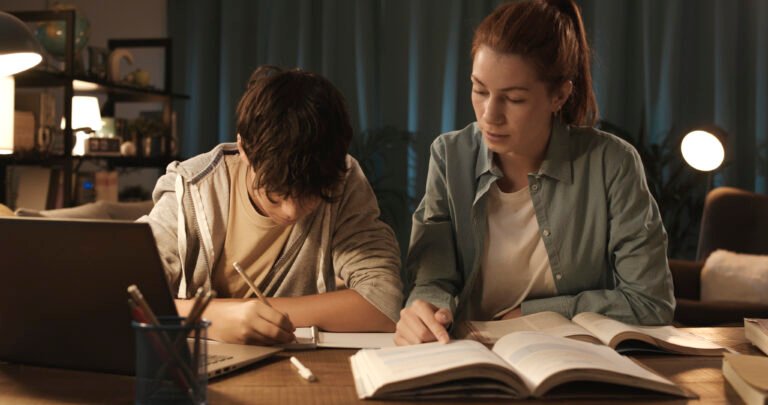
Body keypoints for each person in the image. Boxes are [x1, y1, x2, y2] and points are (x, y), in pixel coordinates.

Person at [395, 0, 675, 346]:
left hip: (572, 356)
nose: (489, 115)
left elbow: (650, 302)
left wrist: (535, 314)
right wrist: (426, 313)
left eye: (513, 99)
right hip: (469, 354)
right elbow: (433, 280)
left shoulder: (611, 163)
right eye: (479, 90)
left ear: (559, 95)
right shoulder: (450, 156)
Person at [143, 66, 403, 345]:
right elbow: (123, 295)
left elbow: (383, 302)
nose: (291, 212)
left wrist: (258, 314)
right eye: (275, 195)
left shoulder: (342, 177)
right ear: (243, 149)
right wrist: (207, 319)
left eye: (310, 195)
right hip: (196, 366)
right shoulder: (190, 189)